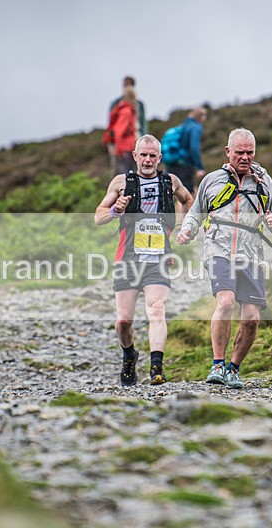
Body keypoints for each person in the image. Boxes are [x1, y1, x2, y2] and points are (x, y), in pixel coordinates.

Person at [177, 128, 272, 389]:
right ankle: (217, 364)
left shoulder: (264, 182)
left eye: (250, 152)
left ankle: (233, 368)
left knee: (251, 318)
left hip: (251, 253)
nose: (245, 157)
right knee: (225, 302)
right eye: (240, 152)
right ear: (228, 152)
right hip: (218, 248)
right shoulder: (212, 180)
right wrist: (187, 230)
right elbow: (195, 213)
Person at [95, 134, 193, 386]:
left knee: (156, 309)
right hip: (127, 259)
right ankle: (129, 355)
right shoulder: (121, 182)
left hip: (158, 259)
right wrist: (117, 209)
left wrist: (184, 227)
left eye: (153, 155)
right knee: (123, 322)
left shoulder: (170, 181)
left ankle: (156, 368)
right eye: (144, 155)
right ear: (135, 156)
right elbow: (99, 216)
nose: (148, 160)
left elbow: (188, 200)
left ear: (159, 158)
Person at [165, 107, 207, 194]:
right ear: (201, 116)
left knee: (186, 192)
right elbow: (194, 148)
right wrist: (200, 167)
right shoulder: (196, 127)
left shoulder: (184, 125)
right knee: (185, 194)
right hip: (184, 165)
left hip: (174, 163)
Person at [103, 85, 138, 176]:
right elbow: (119, 130)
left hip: (125, 147)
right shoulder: (127, 112)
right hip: (125, 148)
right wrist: (118, 150)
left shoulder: (124, 109)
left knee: (126, 174)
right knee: (124, 176)